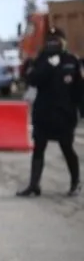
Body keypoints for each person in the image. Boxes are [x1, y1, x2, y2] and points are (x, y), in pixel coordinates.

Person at [17, 27, 83, 197]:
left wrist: (81, 111)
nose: (53, 43)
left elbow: (79, 90)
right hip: (43, 113)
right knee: (39, 148)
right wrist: (47, 66)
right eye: (50, 40)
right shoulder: (40, 60)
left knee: (67, 147)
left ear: (63, 42)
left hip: (64, 114)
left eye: (57, 40)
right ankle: (34, 185)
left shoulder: (71, 61)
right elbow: (32, 80)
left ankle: (76, 183)